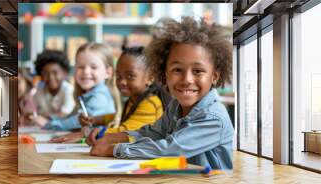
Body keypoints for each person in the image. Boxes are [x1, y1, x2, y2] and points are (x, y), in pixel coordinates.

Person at [87, 17, 234, 170]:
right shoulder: (175, 105)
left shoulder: (213, 118)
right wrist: (111, 137)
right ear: (165, 74)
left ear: (214, 77)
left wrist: (114, 149)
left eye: (198, 71)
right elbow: (154, 132)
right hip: (186, 183)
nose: (187, 79)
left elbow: (170, 150)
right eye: (177, 70)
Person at [51, 46, 170, 143]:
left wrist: (86, 133)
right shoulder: (134, 99)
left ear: (150, 78)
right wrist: (95, 120)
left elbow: (125, 131)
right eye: (119, 76)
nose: (122, 82)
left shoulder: (150, 104)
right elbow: (116, 116)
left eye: (130, 76)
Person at [34, 43, 118, 131]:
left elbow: (77, 122)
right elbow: (71, 117)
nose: (86, 71)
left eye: (93, 67)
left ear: (108, 73)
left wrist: (48, 124)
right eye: (81, 67)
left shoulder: (100, 97)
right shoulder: (86, 94)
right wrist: (52, 118)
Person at [33, 50, 75, 119]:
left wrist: (43, 117)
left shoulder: (69, 90)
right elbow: (32, 112)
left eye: (55, 73)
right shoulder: (39, 92)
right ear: (40, 75)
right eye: (45, 73)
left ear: (65, 73)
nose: (51, 77)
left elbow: (64, 115)